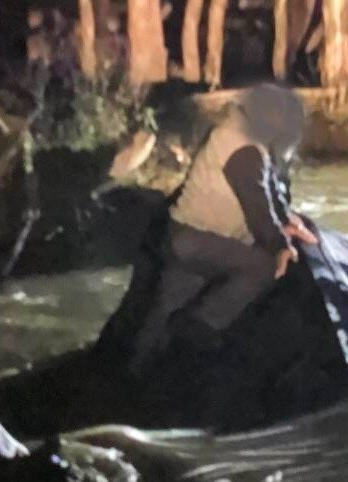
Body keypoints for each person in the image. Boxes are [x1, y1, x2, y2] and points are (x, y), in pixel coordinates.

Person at [128, 84, 318, 374]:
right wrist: (280, 246)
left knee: (165, 307)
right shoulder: (242, 147)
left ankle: (136, 372)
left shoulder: (239, 134)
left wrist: (287, 218)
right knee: (263, 268)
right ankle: (199, 327)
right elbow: (256, 204)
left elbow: (267, 190)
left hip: (184, 233)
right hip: (200, 239)